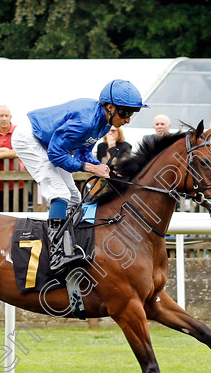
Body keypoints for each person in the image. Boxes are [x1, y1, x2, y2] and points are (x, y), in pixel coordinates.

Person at [12, 79, 148, 273]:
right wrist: (91, 169)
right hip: (29, 137)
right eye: (125, 113)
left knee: (74, 198)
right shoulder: (85, 121)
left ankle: (71, 246)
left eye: (132, 114)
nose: (127, 120)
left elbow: (82, 152)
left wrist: (100, 166)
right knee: (60, 193)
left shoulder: (102, 123)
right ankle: (56, 253)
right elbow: (56, 155)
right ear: (109, 107)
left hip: (49, 141)